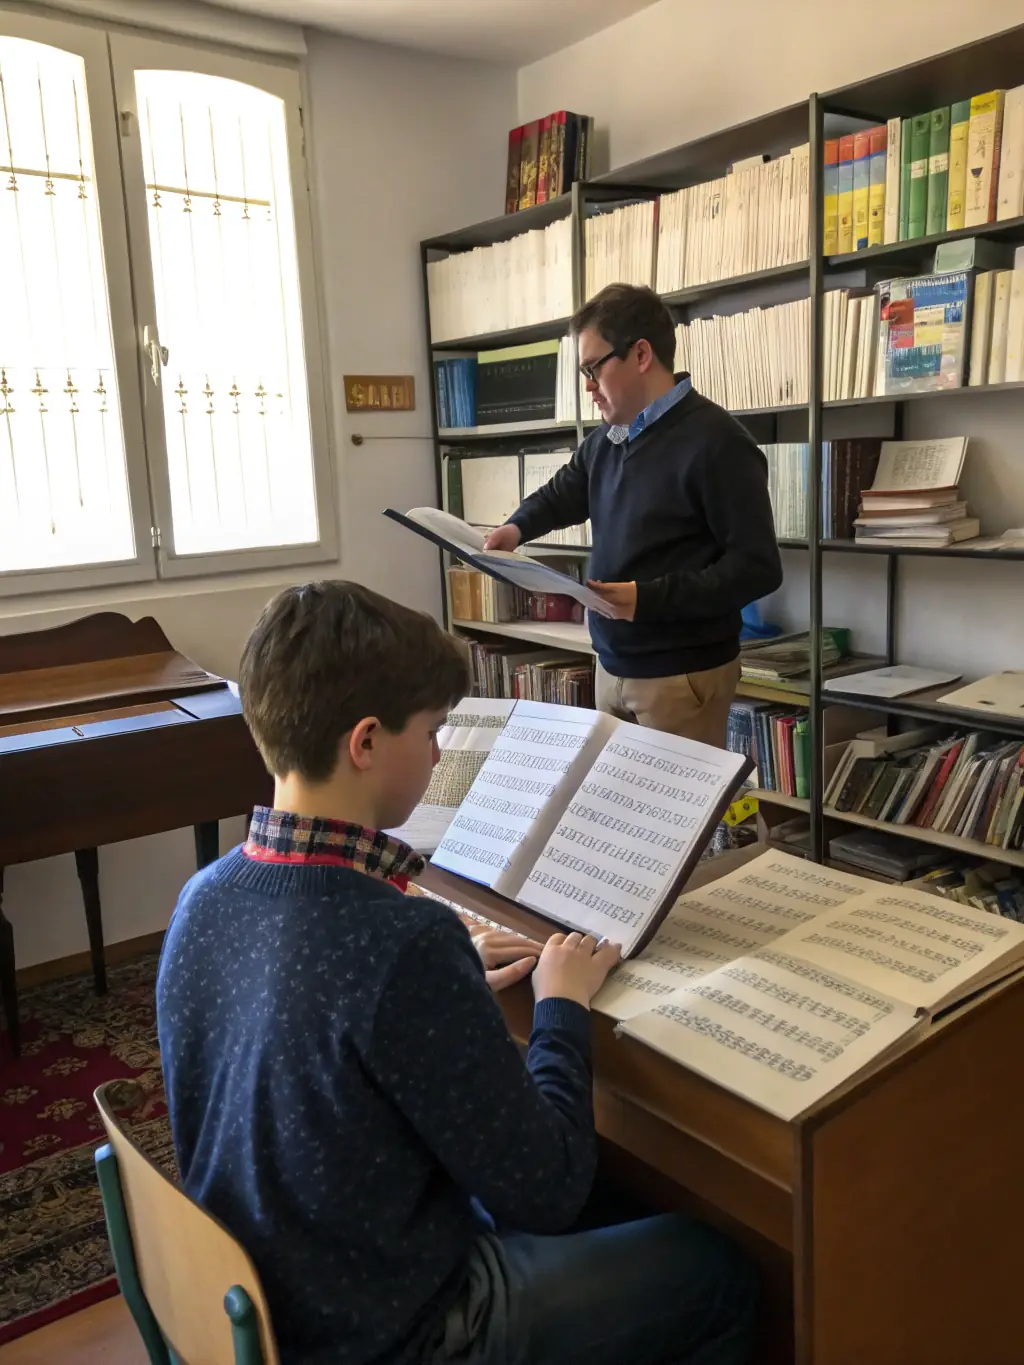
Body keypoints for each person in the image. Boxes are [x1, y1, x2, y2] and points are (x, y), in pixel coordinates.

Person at [156, 580, 758, 1365]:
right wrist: (561, 1005)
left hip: (269, 1299)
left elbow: (318, 1020)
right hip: (396, 1330)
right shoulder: (403, 939)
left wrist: (441, 989)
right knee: (715, 1268)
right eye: (433, 732)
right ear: (365, 743)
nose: (440, 755)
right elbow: (549, 1188)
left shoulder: (201, 899)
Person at [484, 283, 783, 750]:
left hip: (681, 675)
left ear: (641, 354)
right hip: (611, 663)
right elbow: (565, 492)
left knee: (681, 820)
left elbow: (757, 568)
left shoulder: (718, 442)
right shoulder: (608, 439)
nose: (587, 386)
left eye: (593, 367)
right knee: (619, 819)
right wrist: (515, 527)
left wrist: (647, 599)